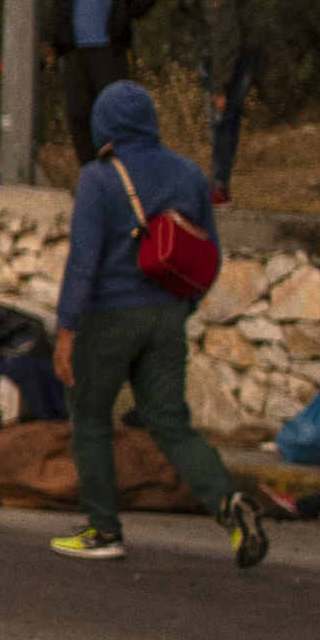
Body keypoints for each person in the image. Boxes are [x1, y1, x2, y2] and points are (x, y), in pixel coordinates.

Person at [51, 80, 261, 566]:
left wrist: (66, 329)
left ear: (104, 124)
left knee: (90, 419)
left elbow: (84, 260)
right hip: (166, 317)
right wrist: (183, 308)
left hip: (107, 318)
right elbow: (210, 253)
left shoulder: (99, 178)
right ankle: (227, 505)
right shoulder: (189, 174)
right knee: (170, 424)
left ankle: (103, 530)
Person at [42, 0, 161, 170]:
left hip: (110, 45)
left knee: (114, 112)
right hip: (75, 48)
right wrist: (55, 40)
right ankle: (90, 174)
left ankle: (120, 173)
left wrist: (125, 13)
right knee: (78, 113)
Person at [142, 0, 255, 200]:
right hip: (217, 50)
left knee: (222, 116)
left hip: (236, 50)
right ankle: (217, 183)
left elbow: (225, 35)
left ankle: (218, 186)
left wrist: (220, 84)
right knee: (217, 118)